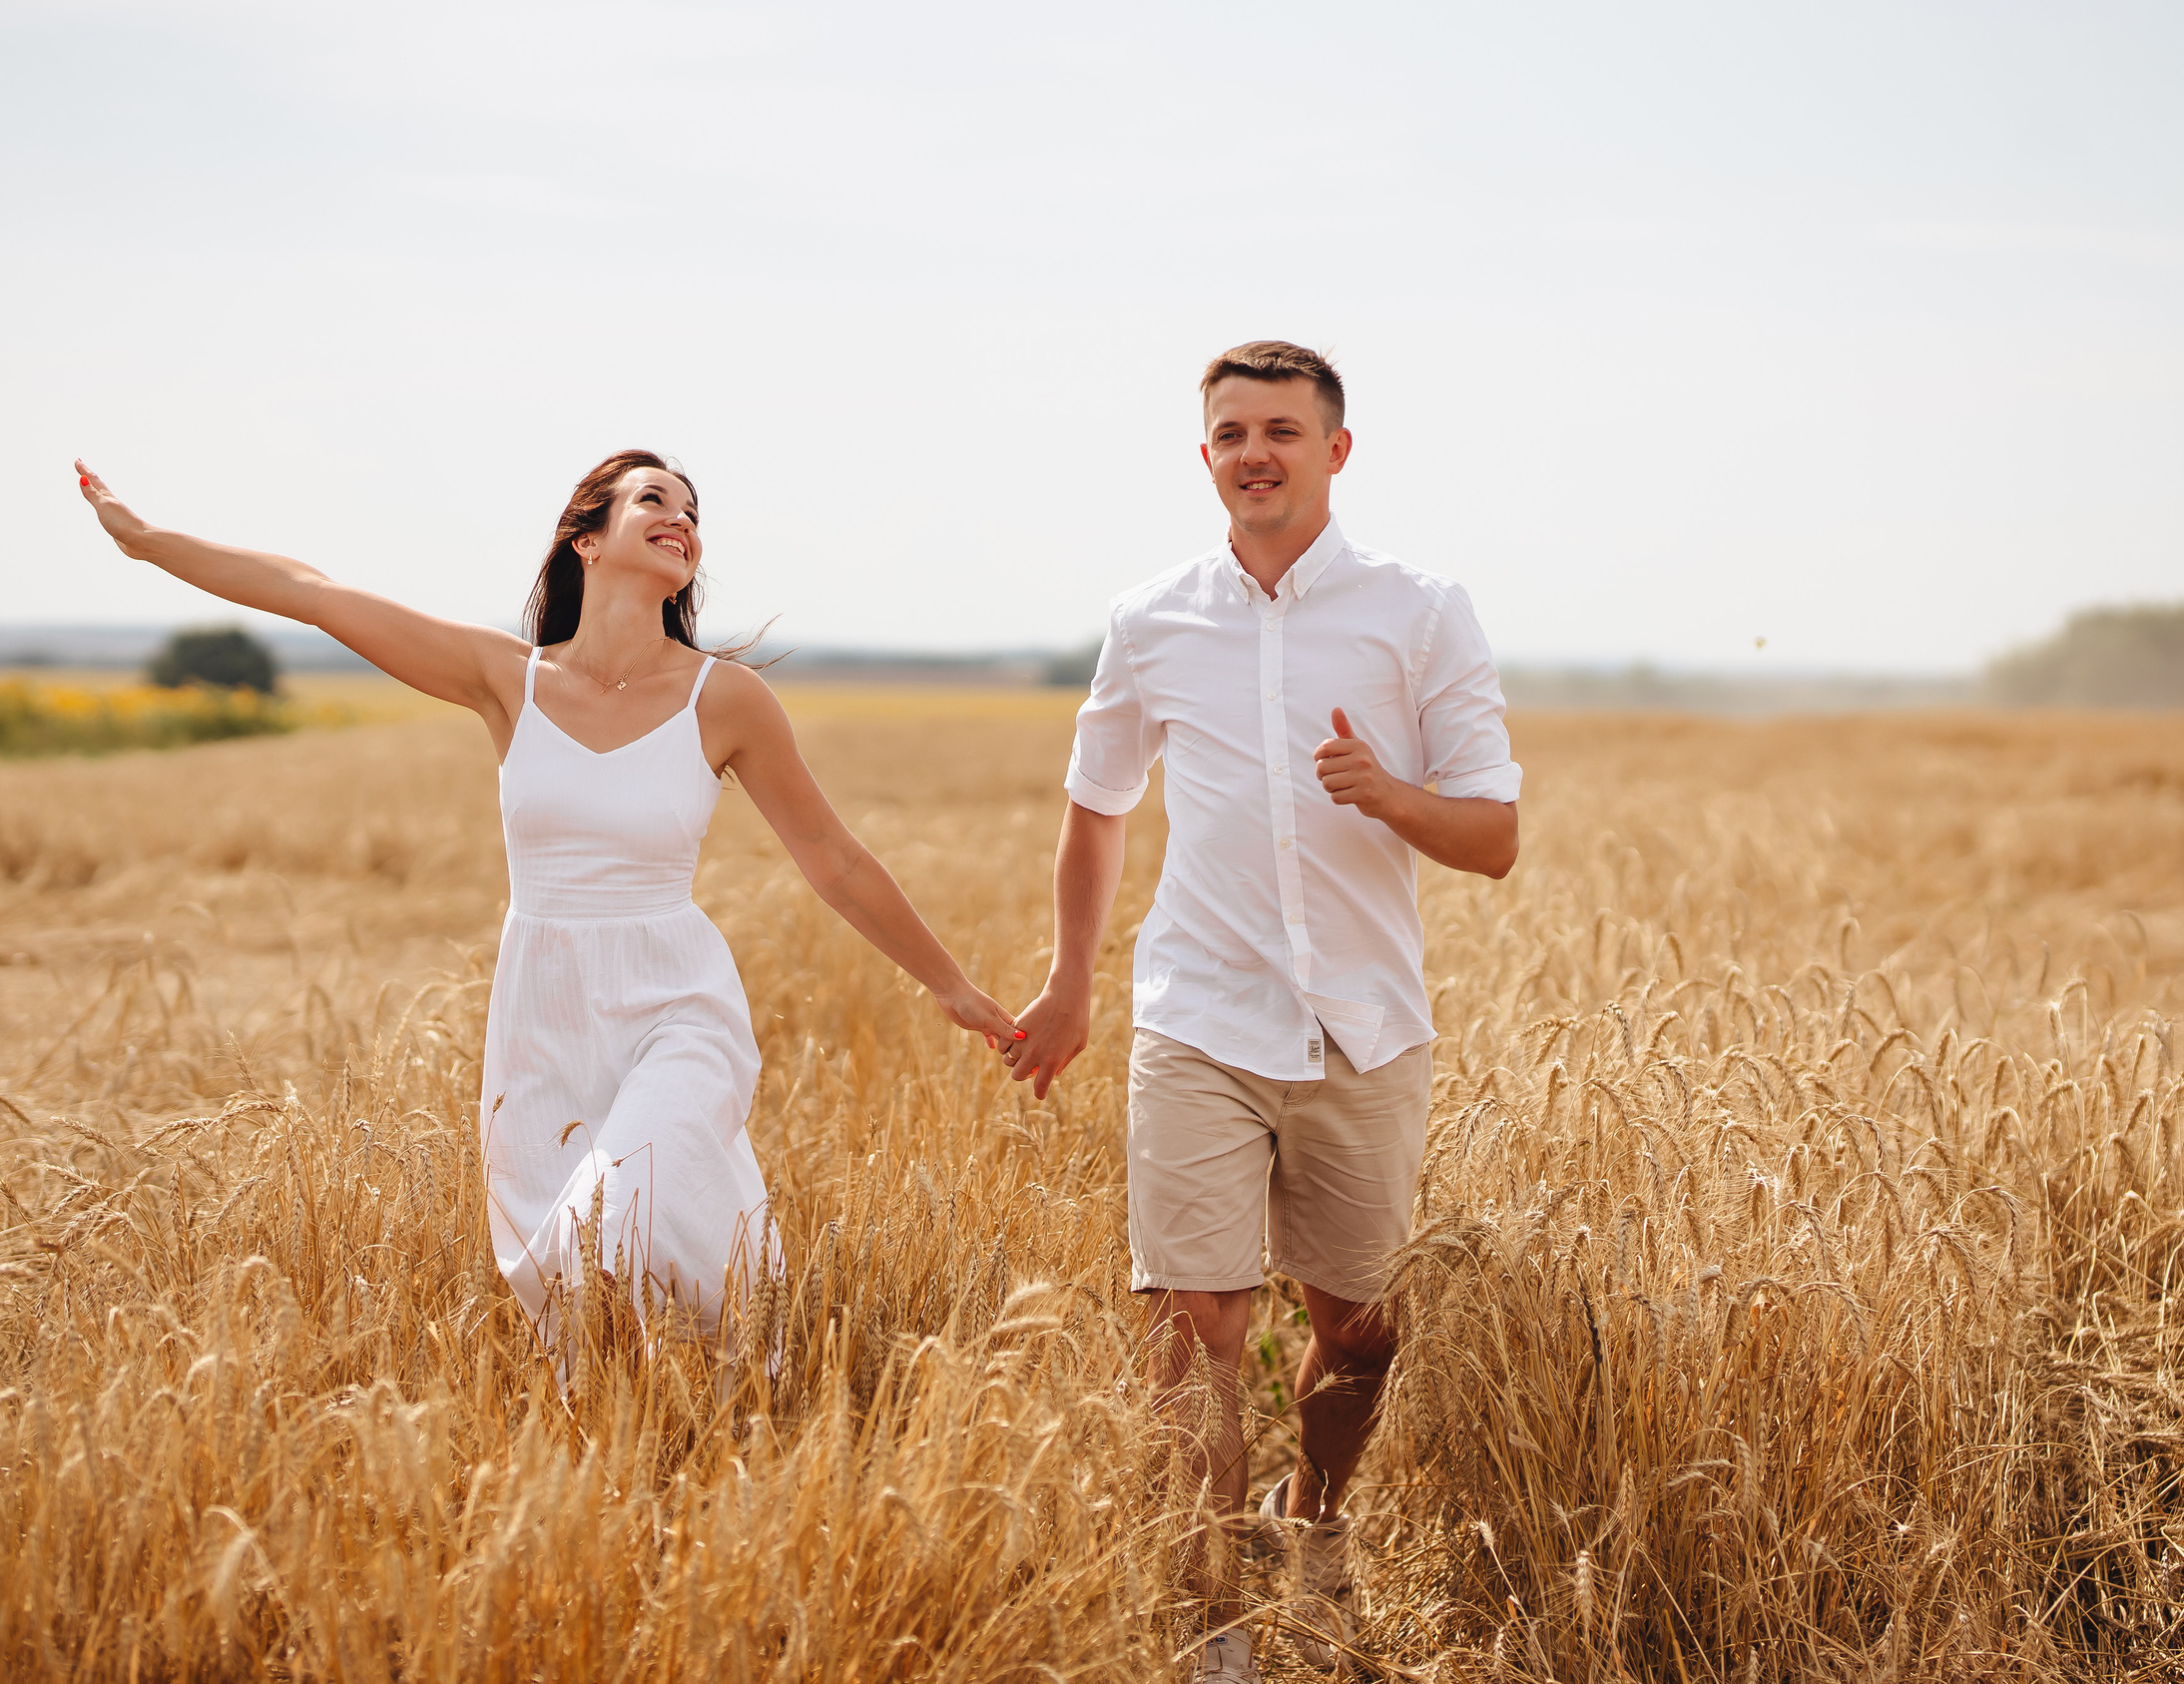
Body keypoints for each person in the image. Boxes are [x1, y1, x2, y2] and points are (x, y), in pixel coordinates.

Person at [75, 449, 1016, 1353]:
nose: (680, 521)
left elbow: (833, 857)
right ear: (587, 539)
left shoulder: (723, 699)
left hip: (675, 1004)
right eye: (654, 501)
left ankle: (739, 1370)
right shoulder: (507, 680)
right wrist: (147, 541)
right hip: (542, 1017)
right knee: (570, 1280)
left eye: (692, 514)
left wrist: (950, 985)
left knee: (624, 1208)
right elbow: (314, 594)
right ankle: (649, 1443)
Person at [1001, 344, 1521, 1681]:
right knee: (1195, 1326)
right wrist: (1070, 982)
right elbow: (1098, 806)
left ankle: (1319, 1516)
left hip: (1364, 1026)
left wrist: (1389, 792)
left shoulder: (1421, 612)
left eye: (1281, 428)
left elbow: (1495, 834)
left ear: (1336, 450)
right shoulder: (1152, 618)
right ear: (1206, 457)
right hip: (1201, 1016)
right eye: (1231, 431)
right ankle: (1209, 1608)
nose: (1255, 451)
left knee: (1358, 1327)